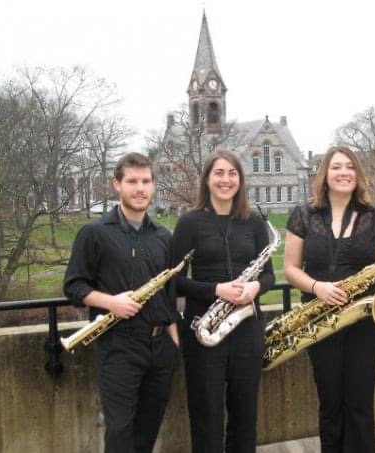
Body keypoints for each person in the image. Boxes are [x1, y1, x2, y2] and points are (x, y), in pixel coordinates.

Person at [283, 146, 375, 453]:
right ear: (325, 174)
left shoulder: (374, 217)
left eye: (350, 167)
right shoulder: (303, 216)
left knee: (360, 402)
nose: (344, 172)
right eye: (336, 167)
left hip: (364, 318)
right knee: (330, 401)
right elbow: (290, 269)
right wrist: (318, 287)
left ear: (357, 174)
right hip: (319, 316)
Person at [63, 152, 180, 453]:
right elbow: (73, 285)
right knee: (120, 432)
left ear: (154, 185)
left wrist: (173, 338)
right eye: (132, 181)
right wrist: (110, 302)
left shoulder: (163, 237)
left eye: (146, 181)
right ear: (117, 184)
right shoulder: (94, 233)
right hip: (118, 345)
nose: (140, 188)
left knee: (148, 427)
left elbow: (169, 292)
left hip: (160, 348)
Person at [172, 149, 275, 453]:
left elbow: (268, 275)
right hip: (204, 331)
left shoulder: (254, 223)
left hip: (247, 331)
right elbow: (174, 281)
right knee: (207, 418)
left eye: (232, 173)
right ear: (207, 179)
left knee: (245, 419)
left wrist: (255, 287)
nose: (226, 179)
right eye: (219, 173)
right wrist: (216, 289)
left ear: (240, 180)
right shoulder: (189, 223)